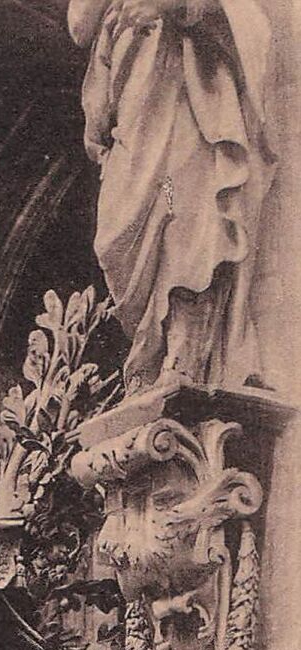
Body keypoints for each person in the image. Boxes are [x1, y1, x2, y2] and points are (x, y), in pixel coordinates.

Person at [69, 0, 274, 390]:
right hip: (134, 113)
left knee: (185, 219)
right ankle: (153, 350)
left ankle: (184, 355)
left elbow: (248, 23)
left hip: (187, 101)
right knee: (117, 235)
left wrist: (175, 6)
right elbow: (80, 25)